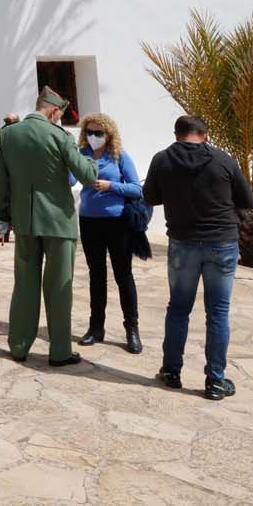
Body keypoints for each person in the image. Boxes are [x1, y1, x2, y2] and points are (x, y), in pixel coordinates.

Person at [143, 114, 253, 401]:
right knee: (218, 311)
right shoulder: (223, 160)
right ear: (205, 134)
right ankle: (216, 381)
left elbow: (150, 197)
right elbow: (247, 201)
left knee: (178, 308)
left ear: (176, 133)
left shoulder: (161, 160)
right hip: (222, 243)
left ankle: (171, 371)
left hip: (182, 243)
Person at [0, 87, 98, 366]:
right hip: (58, 222)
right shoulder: (60, 136)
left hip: (24, 221)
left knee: (24, 285)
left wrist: (2, 215)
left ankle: (19, 345)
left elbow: (0, 179)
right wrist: (89, 157)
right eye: (60, 114)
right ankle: (60, 350)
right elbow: (86, 176)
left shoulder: (8, 135)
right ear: (54, 111)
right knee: (59, 287)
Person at [73, 112, 144, 354]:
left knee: (123, 275)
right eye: (90, 132)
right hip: (89, 221)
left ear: (108, 134)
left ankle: (132, 329)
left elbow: (137, 188)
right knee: (96, 275)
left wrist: (111, 185)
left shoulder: (119, 156)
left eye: (98, 133)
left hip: (117, 222)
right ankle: (96, 327)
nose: (93, 137)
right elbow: (71, 178)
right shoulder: (81, 154)